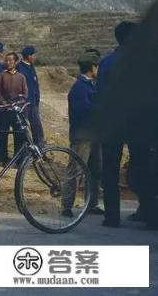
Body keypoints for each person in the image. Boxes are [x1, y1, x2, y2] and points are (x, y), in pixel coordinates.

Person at [94, 21, 151, 227]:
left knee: (110, 170)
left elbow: (100, 96)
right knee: (143, 167)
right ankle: (148, 212)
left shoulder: (107, 63)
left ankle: (112, 217)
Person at [61, 53, 104, 218]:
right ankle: (66, 205)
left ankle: (91, 203)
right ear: (92, 68)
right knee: (75, 170)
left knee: (95, 170)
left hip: (94, 135)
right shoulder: (80, 87)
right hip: (83, 136)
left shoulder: (91, 85)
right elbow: (86, 112)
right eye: (96, 66)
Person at [0, 52, 28, 164]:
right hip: (4, 110)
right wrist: (3, 102)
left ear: (16, 62)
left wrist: (19, 103)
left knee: (19, 135)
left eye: (10, 60)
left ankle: (18, 160)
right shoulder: (2, 75)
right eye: (6, 60)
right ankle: (1, 158)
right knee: (2, 134)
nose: (8, 62)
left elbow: (25, 93)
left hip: (17, 111)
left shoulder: (21, 77)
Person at [17, 45, 45, 146]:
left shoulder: (31, 67)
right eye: (33, 55)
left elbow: (35, 85)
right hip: (24, 104)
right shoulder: (19, 68)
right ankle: (25, 155)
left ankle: (41, 151)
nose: (35, 57)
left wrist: (37, 100)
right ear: (28, 56)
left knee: (37, 128)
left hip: (33, 103)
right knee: (25, 130)